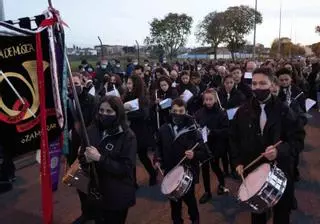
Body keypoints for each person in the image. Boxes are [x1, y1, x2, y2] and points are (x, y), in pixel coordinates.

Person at [230, 67, 305, 224]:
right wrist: (237, 162)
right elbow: (234, 139)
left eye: (263, 83)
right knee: (258, 216)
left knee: (281, 215)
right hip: (253, 171)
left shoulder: (285, 110)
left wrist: (279, 151)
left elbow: (297, 140)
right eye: (254, 83)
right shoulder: (242, 111)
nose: (257, 87)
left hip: (281, 172)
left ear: (272, 85)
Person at [154, 98, 210, 224]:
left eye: (181, 111)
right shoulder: (163, 128)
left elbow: (205, 152)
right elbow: (158, 145)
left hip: (187, 173)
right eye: (175, 111)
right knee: (174, 203)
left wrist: (194, 154)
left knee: (190, 200)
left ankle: (195, 220)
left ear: (186, 111)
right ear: (170, 111)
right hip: (170, 171)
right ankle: (177, 220)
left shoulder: (193, 129)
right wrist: (157, 158)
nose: (178, 113)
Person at [84, 96, 137, 224]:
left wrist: (99, 158)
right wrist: (84, 157)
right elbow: (83, 152)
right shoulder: (92, 129)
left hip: (118, 194)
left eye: (109, 111)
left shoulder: (127, 136)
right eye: (101, 110)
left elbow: (125, 168)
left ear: (117, 113)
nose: (104, 114)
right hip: (97, 191)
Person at [67, 72, 97, 224]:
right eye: (70, 84)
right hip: (73, 147)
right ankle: (86, 212)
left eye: (76, 84)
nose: (73, 86)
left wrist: (84, 145)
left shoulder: (91, 100)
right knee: (79, 181)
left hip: (87, 146)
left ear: (83, 84)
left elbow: (94, 125)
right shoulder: (67, 101)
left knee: (94, 182)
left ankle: (98, 212)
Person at [195, 89, 229, 204]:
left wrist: (212, 132)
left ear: (215, 99)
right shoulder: (199, 113)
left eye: (210, 99)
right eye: (206, 99)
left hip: (216, 145)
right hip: (204, 146)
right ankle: (207, 192)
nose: (208, 102)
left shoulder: (221, 113)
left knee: (215, 167)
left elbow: (226, 130)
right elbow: (196, 127)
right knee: (204, 170)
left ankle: (222, 184)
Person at [123, 75, 158, 186]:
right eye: (127, 83)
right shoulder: (126, 96)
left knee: (142, 156)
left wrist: (127, 114)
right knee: (131, 157)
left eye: (129, 83)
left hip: (140, 131)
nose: (127, 85)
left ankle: (152, 174)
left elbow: (144, 114)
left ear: (136, 85)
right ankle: (133, 182)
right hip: (128, 131)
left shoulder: (142, 98)